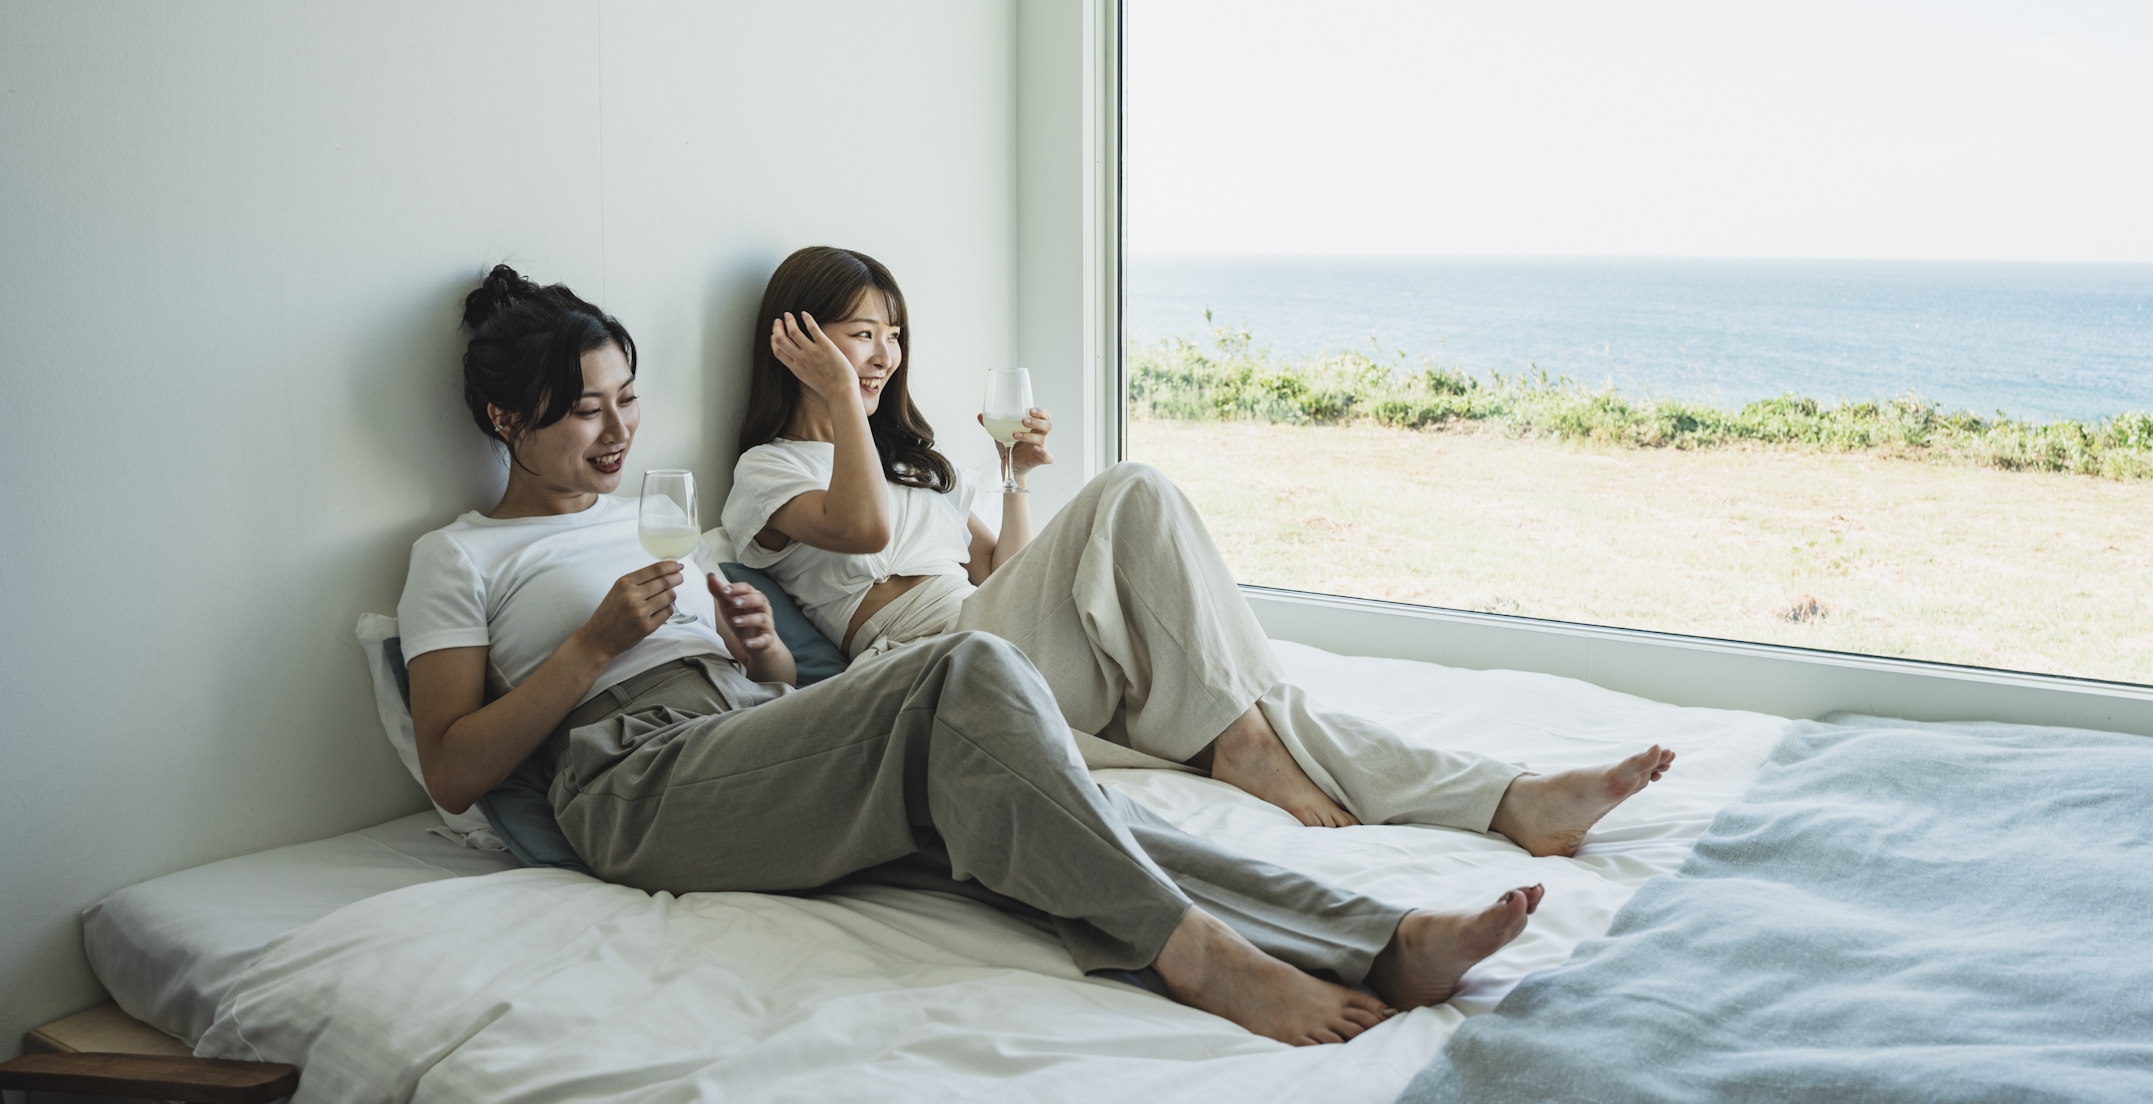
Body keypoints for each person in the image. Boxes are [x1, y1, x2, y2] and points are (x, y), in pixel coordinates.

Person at [400, 265, 1567, 1047]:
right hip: (634, 782)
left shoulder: (656, 509)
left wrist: (760, 655)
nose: (617, 433)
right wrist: (595, 644)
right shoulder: (456, 559)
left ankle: (1381, 940)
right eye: (584, 411)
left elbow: (787, 693)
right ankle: (1197, 956)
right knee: (970, 674)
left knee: (1065, 809)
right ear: (506, 421)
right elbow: (452, 767)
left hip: (733, 734)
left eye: (628, 400)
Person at [721, 246, 1674, 855]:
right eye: (860, 335)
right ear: (800, 341)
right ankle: (1260, 745)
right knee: (1136, 494)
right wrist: (844, 400)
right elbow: (862, 533)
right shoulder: (767, 473)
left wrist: (1010, 473)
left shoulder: (910, 465)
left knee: (1258, 701)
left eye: (892, 336)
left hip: (1000, 633)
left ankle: (1511, 803)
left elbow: (1006, 579)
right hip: (933, 671)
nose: (883, 355)